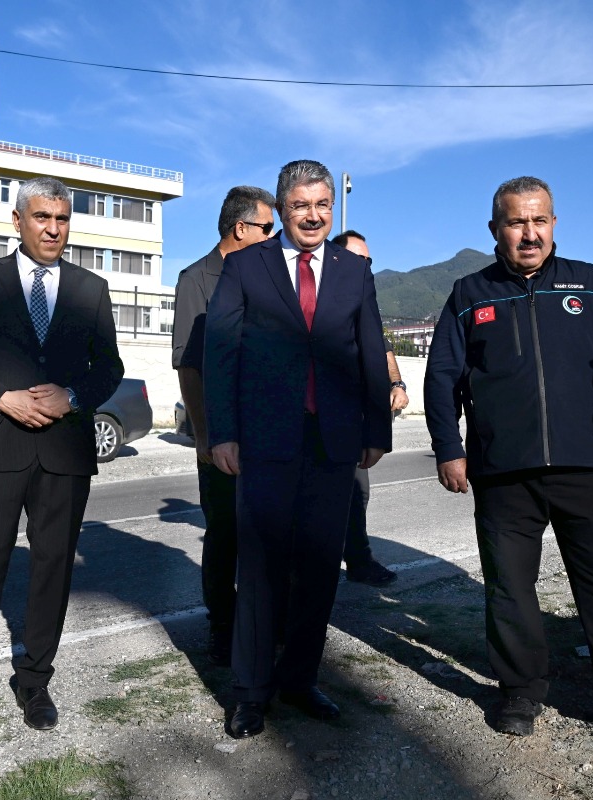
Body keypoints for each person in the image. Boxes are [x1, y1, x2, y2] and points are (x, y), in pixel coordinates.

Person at [424, 176, 593, 757]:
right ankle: (520, 691)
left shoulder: (587, 283)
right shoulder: (468, 293)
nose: (529, 232)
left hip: (585, 463)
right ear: (495, 230)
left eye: (540, 220)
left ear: (555, 224)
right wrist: (449, 447)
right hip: (501, 471)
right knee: (510, 589)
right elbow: (442, 377)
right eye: (516, 222)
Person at [205, 159, 392, 739]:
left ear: (331, 208)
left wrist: (375, 432)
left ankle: (300, 678)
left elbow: (369, 351)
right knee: (259, 567)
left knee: (318, 567)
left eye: (322, 205)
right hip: (264, 440)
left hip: (333, 442)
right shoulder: (246, 266)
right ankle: (250, 692)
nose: (312, 216)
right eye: (299, 206)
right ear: (282, 209)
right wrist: (223, 432)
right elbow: (220, 352)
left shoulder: (353, 270)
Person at [0, 177, 123, 738]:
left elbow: (107, 368)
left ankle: (34, 682)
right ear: (17, 220)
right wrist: (0, 397)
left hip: (64, 454)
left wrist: (73, 396)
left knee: (51, 572)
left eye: (62, 219)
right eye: (42, 217)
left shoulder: (91, 288)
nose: (53, 229)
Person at [172, 185, 275, 666]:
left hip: (270, 433)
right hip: (222, 438)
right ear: (241, 229)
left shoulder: (269, 276)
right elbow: (188, 365)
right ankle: (222, 628)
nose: (273, 237)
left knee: (268, 534)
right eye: (267, 228)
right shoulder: (197, 278)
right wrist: (204, 435)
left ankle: (263, 626)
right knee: (223, 537)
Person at [329, 229, 408, 586]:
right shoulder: (323, 296)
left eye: (369, 261)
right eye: (359, 259)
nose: (366, 266)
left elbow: (382, 349)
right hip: (320, 417)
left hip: (355, 420)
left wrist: (397, 383)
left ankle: (359, 562)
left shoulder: (365, 298)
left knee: (357, 492)